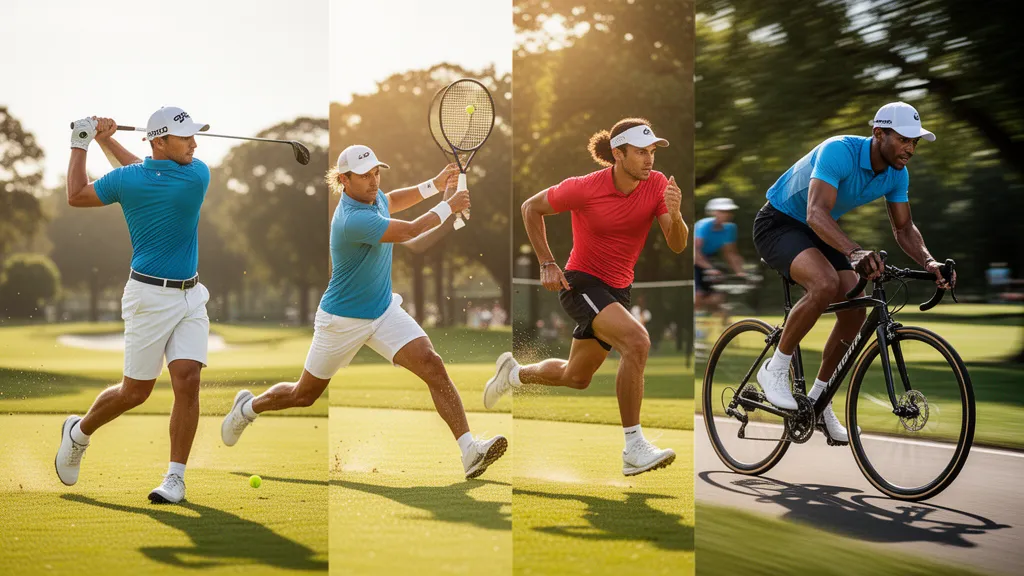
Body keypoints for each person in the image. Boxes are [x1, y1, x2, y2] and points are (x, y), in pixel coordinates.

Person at [220, 145, 507, 479]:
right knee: (304, 395)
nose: (373, 181)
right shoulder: (352, 220)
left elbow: (395, 199)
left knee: (432, 364)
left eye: (376, 172)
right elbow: (410, 230)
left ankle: (469, 451)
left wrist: (434, 183)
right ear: (344, 180)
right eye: (364, 176)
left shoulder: (373, 198)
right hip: (341, 321)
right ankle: (248, 408)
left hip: (383, 311)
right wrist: (448, 205)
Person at [483, 118, 688, 476]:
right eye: (641, 152)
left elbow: (677, 244)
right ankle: (634, 447)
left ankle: (513, 374)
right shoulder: (585, 187)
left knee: (576, 377)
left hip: (618, 290)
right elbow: (530, 208)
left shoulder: (657, 185)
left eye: (652, 151)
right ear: (618, 153)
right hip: (581, 283)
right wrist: (547, 261)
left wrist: (676, 214)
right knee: (638, 342)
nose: (649, 159)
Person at [752, 101, 954, 444]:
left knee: (855, 308)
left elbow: (904, 229)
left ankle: (819, 400)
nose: (910, 148)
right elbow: (816, 212)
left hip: (819, 230)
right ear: (879, 133)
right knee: (826, 283)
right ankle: (775, 367)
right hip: (779, 223)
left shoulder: (897, 174)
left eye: (914, 142)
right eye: (904, 139)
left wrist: (930, 262)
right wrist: (854, 250)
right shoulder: (839, 152)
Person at [55, 107, 213, 503]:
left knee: (188, 380)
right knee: (134, 392)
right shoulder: (136, 177)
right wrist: (83, 144)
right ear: (159, 141)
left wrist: (94, 139)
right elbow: (75, 197)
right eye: (186, 137)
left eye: (194, 135)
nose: (195, 143)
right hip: (147, 297)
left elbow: (141, 173)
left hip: (191, 296)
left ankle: (175, 478)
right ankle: (79, 433)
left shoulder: (196, 173)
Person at [694, 198, 746, 327]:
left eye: (729, 211)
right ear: (714, 212)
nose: (727, 214)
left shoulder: (730, 228)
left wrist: (740, 272)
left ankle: (724, 327)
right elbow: (695, 252)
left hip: (710, 260)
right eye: (722, 211)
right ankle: (696, 326)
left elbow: (730, 253)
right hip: (695, 260)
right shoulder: (703, 226)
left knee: (718, 298)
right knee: (698, 296)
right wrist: (709, 268)